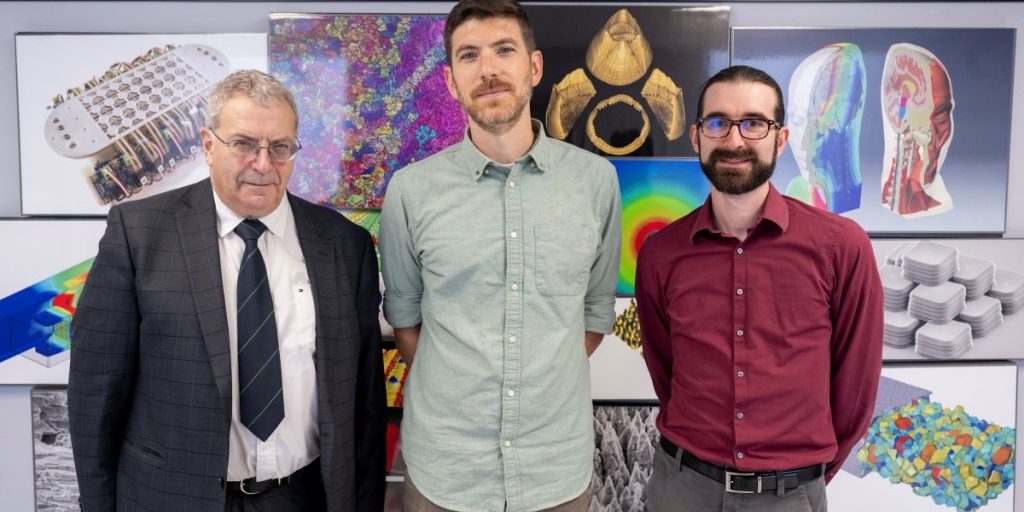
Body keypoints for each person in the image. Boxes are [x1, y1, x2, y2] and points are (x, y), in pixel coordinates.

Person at [68, 69, 385, 512]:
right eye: (243, 144)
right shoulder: (139, 233)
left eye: (280, 147)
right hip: (172, 499)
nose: (263, 163)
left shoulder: (343, 245)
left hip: (303, 497)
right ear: (208, 144)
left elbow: (365, 404)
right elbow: (95, 392)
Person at [378, 1, 621, 510]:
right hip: (446, 473)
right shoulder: (410, 190)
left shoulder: (596, 181)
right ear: (450, 80)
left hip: (555, 472)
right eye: (469, 56)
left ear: (533, 67)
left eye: (503, 50)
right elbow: (406, 324)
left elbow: (593, 316)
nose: (487, 69)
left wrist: (537, 376)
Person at [635, 65, 883, 512]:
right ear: (696, 137)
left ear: (780, 139)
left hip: (789, 497)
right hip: (682, 489)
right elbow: (665, 370)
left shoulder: (840, 247)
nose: (734, 141)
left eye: (753, 123)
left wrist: (798, 478)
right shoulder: (660, 253)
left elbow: (855, 392)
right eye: (718, 123)